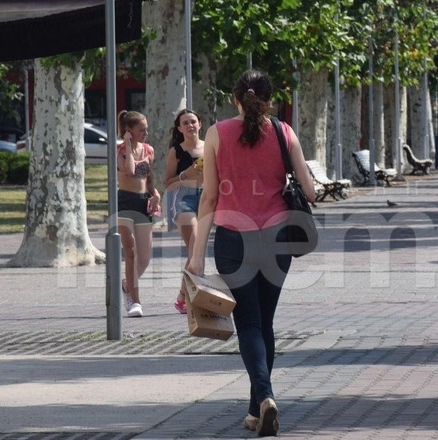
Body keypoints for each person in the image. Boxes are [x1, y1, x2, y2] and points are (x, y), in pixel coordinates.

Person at [187, 69, 316, 437]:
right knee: (264, 323)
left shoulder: (217, 133)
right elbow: (310, 192)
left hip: (233, 241)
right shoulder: (284, 132)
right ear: (269, 99)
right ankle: (257, 406)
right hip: (278, 240)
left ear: (235, 98)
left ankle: (264, 398)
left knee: (249, 324)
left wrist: (197, 254)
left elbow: (210, 197)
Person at [117, 110, 161, 318]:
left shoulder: (149, 150)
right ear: (129, 130)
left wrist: (155, 194)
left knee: (144, 257)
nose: (146, 133)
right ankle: (136, 301)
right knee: (131, 252)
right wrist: (127, 144)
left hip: (142, 202)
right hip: (124, 202)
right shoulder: (119, 150)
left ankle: (127, 285)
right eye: (141, 130)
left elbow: (148, 179)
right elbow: (130, 171)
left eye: (146, 129)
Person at [164, 109, 204, 314]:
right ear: (179, 128)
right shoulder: (176, 151)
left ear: (200, 124)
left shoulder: (209, 147)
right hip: (183, 199)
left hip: (206, 198)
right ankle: (193, 297)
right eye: (185, 123)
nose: (190, 126)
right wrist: (185, 174)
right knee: (196, 248)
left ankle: (182, 297)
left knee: (196, 253)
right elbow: (168, 184)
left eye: (193, 121)